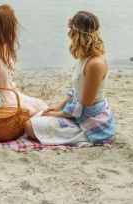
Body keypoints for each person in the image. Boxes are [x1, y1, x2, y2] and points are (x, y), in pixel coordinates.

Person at [24, 11, 115, 145]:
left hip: (90, 122)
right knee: (32, 118)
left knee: (29, 126)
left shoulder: (95, 64)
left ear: (75, 34)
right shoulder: (85, 57)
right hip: (77, 114)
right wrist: (58, 108)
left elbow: (86, 107)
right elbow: (76, 91)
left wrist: (58, 115)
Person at [0, 4, 48, 133]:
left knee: (41, 105)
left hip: (10, 95)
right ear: (5, 28)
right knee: (36, 114)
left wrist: (18, 95)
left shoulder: (3, 47)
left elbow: (8, 82)